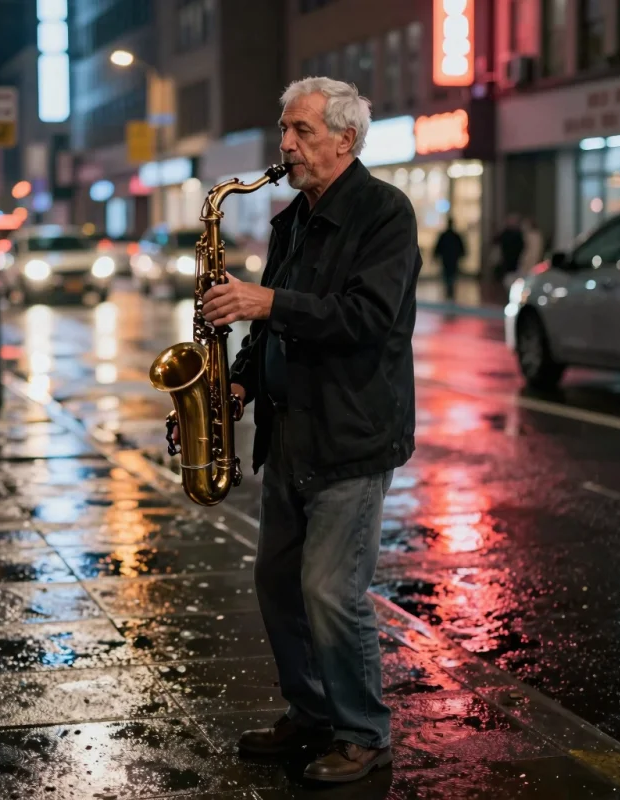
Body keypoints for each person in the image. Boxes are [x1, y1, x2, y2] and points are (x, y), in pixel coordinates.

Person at [198, 77, 422, 783]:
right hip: (291, 434)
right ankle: (311, 709)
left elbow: (365, 319)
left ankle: (363, 732)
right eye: (283, 129)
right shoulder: (290, 219)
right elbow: (269, 333)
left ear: (344, 139)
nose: (285, 144)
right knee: (277, 582)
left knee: (330, 591)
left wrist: (267, 301)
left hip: (352, 436)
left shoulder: (386, 214)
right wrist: (236, 384)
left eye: (300, 131)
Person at [433, 217, 466, 300]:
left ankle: (449, 289)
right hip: (453, 258)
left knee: (447, 274)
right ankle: (450, 289)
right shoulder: (455, 236)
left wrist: (436, 255)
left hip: (446, 258)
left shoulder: (444, 235)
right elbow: (461, 247)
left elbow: (438, 247)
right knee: (451, 274)